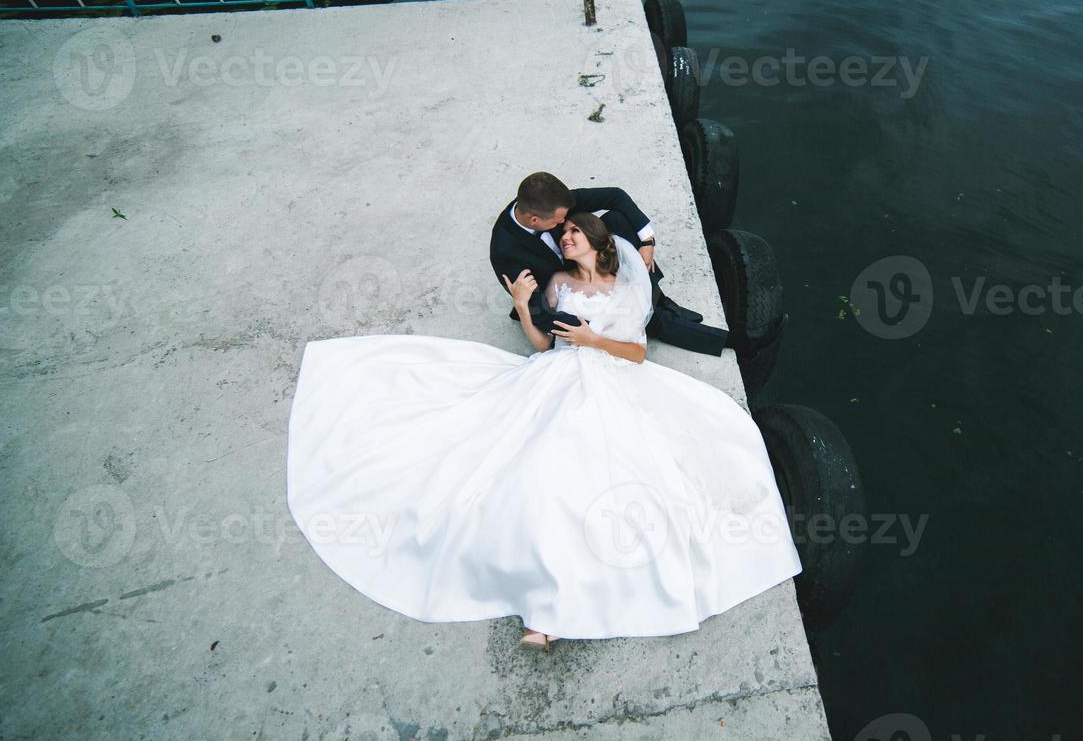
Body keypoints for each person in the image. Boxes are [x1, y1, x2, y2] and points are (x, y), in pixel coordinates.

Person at [287, 212, 801, 649]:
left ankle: (550, 611)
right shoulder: (557, 285)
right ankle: (545, 605)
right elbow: (541, 344)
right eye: (563, 235)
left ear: (600, 244)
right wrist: (520, 307)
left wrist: (591, 339)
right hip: (556, 374)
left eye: (575, 234)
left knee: (604, 473)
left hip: (610, 376)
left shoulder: (626, 288)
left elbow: (638, 353)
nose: (565, 240)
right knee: (534, 465)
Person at [489, 171, 728, 356]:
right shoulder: (506, 252)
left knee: (617, 221)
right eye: (560, 220)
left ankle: (656, 298)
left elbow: (615, 195)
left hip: (588, 266)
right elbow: (539, 310)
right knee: (656, 323)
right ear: (534, 220)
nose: (565, 222)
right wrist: (608, 327)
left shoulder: (548, 202)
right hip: (563, 292)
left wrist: (647, 241)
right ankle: (674, 323)